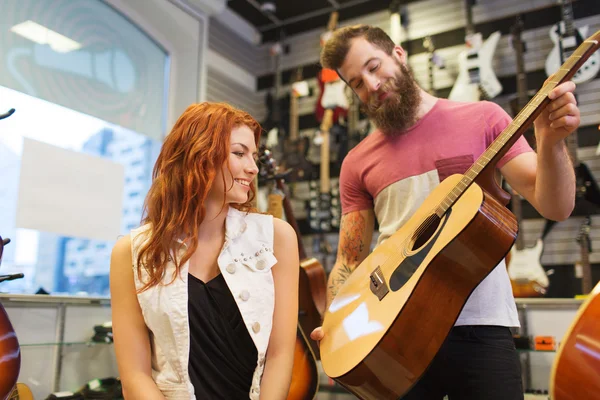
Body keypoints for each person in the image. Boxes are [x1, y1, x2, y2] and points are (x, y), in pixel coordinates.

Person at [310, 25, 579, 400]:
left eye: (374, 66)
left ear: (399, 55)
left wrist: (551, 142)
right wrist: (337, 324)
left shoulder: (484, 117)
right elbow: (348, 261)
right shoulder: (356, 162)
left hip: (481, 326)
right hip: (395, 336)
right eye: (356, 83)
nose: (370, 85)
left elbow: (556, 205)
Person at [110, 102, 300, 400]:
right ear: (199, 156)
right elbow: (134, 376)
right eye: (239, 153)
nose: (253, 167)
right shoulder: (131, 253)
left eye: (253, 155)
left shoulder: (277, 239)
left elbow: (280, 355)